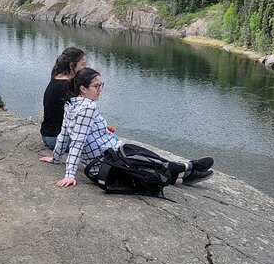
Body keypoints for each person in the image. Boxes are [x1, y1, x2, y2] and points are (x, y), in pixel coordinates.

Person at [39, 68, 213, 187]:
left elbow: (63, 134)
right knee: (150, 167)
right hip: (107, 160)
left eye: (101, 85)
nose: (100, 90)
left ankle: (189, 172)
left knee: (147, 158)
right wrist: (69, 174)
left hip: (112, 152)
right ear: (83, 88)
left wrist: (55, 158)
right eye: (96, 86)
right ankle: (188, 168)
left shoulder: (71, 102)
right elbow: (76, 141)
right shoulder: (88, 107)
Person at [40, 47, 87, 149]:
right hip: (55, 138)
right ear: (71, 65)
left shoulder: (57, 77)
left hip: (49, 135)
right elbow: (81, 115)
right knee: (104, 141)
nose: (85, 68)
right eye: (82, 64)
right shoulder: (67, 86)